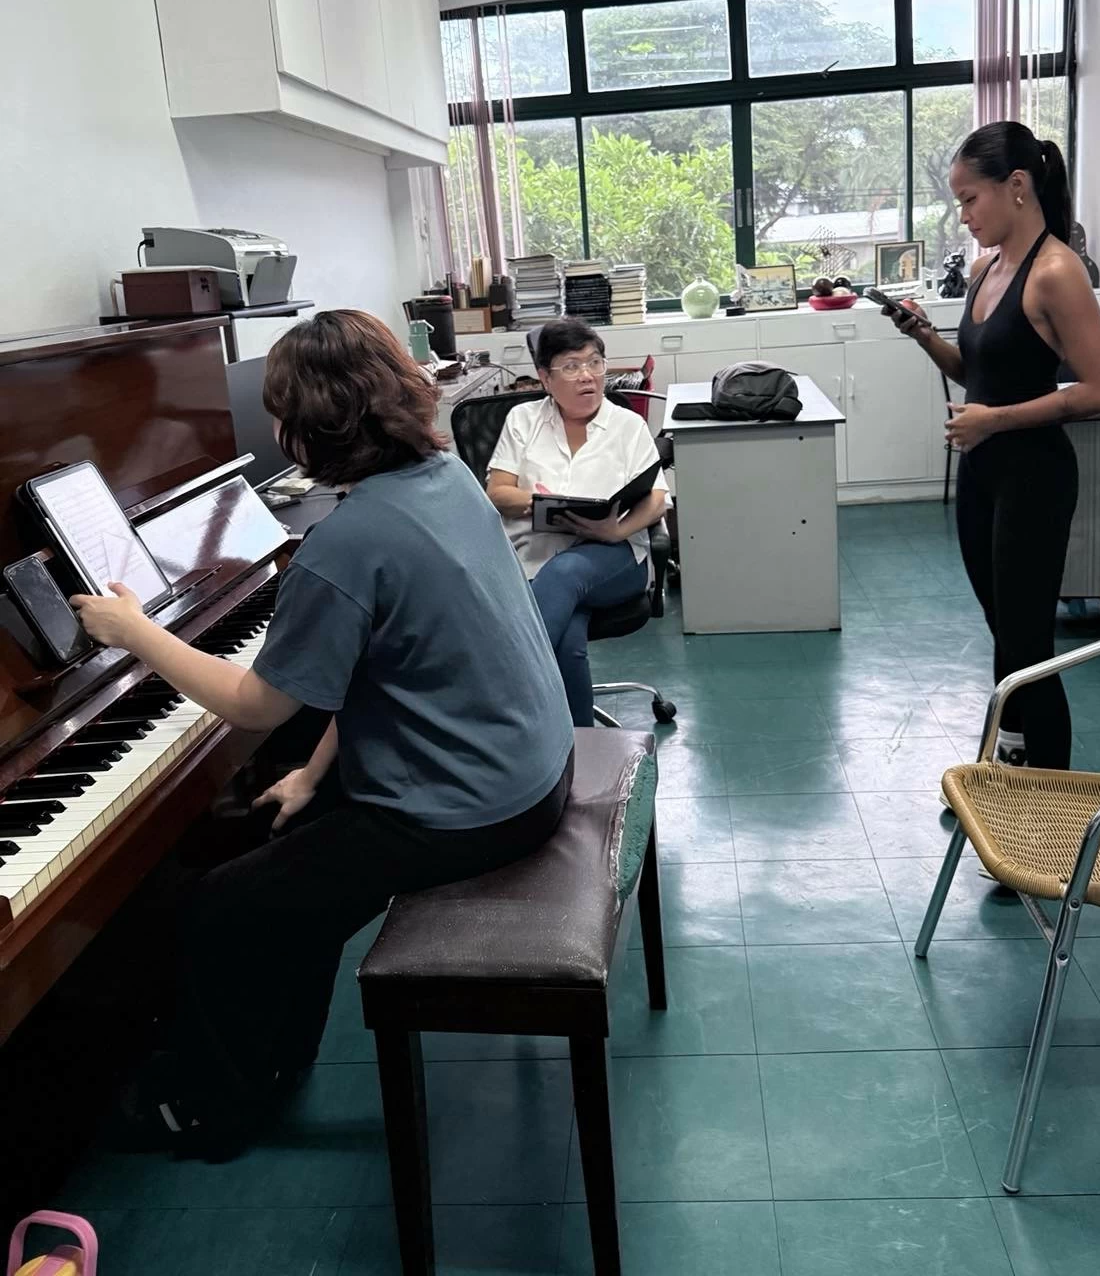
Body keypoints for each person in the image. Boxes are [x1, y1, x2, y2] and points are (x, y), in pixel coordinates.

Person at [71, 309, 575, 1154]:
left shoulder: (348, 541)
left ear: (304, 430)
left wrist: (135, 633)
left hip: (471, 804)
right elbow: (394, 666)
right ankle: (276, 1051)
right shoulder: (444, 478)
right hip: (527, 760)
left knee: (225, 906)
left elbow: (256, 706)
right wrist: (312, 772)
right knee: (290, 845)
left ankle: (215, 1110)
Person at [889, 122, 1100, 770]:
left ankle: (1050, 798)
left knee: (1028, 647)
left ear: (1016, 186)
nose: (964, 217)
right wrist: (924, 337)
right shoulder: (990, 267)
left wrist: (995, 420)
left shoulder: (1056, 272)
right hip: (984, 474)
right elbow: (977, 371)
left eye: (970, 199)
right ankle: (1011, 756)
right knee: (1005, 633)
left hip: (1034, 478)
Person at [486, 319, 670, 726]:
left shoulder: (627, 425)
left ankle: (504, 690)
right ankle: (579, 747)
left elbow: (657, 499)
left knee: (566, 572)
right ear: (545, 378)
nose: (587, 375)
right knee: (568, 636)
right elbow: (498, 492)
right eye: (571, 366)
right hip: (532, 556)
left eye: (595, 363)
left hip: (614, 555)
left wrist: (615, 530)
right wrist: (546, 504)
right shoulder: (522, 419)